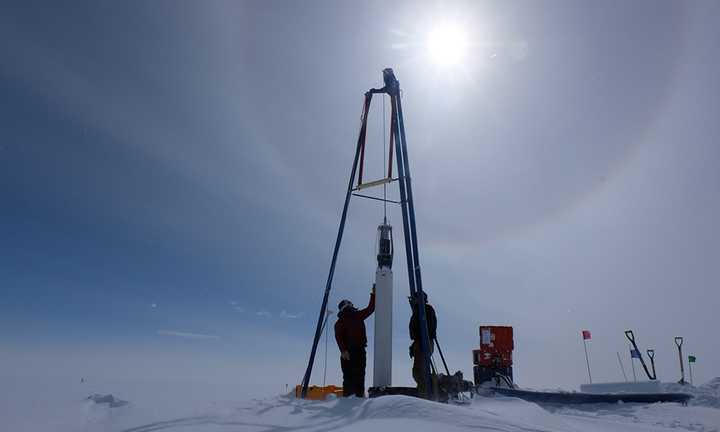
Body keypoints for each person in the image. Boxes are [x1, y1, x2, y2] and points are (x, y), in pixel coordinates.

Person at [334, 285, 375, 397]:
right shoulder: (355, 316)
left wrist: (343, 351)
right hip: (355, 351)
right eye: (350, 303)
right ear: (347, 306)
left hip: (349, 352)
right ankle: (356, 398)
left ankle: (350, 399)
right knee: (357, 376)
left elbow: (338, 337)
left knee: (349, 377)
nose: (352, 305)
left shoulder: (343, 321)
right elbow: (370, 309)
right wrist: (373, 294)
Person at [409, 291, 437, 398]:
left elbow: (429, 328)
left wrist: (421, 342)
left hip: (424, 342)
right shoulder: (418, 310)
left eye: (414, 299)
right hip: (420, 342)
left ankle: (424, 393)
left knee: (419, 371)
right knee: (418, 370)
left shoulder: (427, 310)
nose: (413, 301)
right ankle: (424, 390)